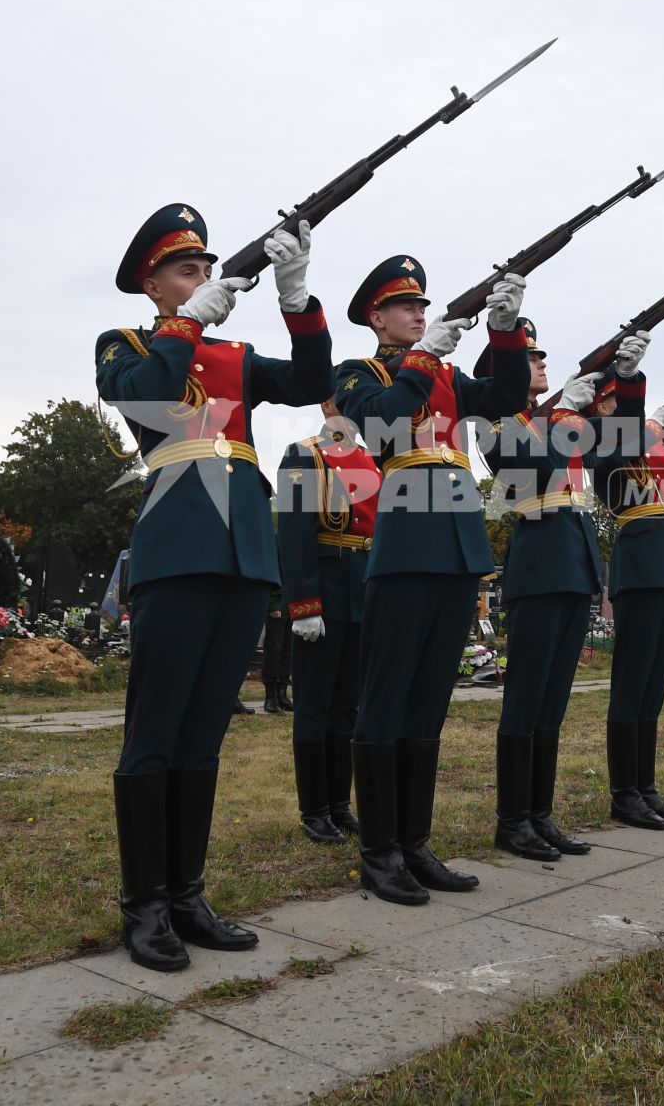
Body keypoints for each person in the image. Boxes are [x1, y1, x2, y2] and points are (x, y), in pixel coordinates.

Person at [95, 202, 332, 973]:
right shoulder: (126, 345)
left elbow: (312, 381)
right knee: (155, 733)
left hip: (243, 554)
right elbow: (148, 404)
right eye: (186, 271)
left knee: (202, 737)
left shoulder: (235, 354)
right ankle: (145, 904)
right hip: (178, 548)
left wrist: (297, 299)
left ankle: (188, 894)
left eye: (206, 269)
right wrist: (186, 323)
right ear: (153, 284)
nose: (203, 280)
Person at [333, 255, 529, 905]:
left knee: (427, 706)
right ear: (376, 317)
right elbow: (382, 422)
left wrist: (503, 333)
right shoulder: (359, 373)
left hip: (456, 543)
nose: (420, 314)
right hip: (406, 540)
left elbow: (504, 398)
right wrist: (424, 360)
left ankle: (414, 843)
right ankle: (380, 850)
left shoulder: (443, 372)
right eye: (406, 306)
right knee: (386, 701)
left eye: (424, 305)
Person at [478, 322, 648, 860]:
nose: (542, 363)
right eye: (529, 358)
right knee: (525, 699)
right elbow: (533, 473)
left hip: (576, 566)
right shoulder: (496, 423)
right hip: (538, 566)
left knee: (552, 702)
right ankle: (512, 822)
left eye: (541, 356)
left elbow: (618, 453)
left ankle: (539, 815)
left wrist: (628, 382)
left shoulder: (559, 421)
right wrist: (558, 418)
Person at [589, 370, 664, 830]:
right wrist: (650, 424)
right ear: (601, 407)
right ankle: (624, 793)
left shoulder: (648, 444)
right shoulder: (599, 443)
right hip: (639, 561)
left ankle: (645, 787)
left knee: (654, 686)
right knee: (631, 685)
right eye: (615, 401)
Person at [275, 400, 379, 844]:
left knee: (348, 707)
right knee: (314, 705)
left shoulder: (373, 459)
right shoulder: (305, 453)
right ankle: (314, 808)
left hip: (364, 588)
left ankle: (340, 803)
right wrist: (303, 603)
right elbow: (294, 531)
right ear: (330, 405)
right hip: (326, 587)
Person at [260, 588, 293, 714]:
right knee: (273, 650)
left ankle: (282, 694)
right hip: (279, 601)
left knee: (288, 650)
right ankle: (270, 696)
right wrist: (273, 603)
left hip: (293, 602)